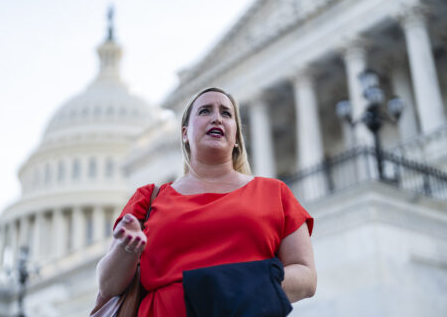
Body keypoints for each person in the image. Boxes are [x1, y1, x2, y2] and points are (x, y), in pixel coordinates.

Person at [96, 87, 316, 316]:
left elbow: (307, 277)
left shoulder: (275, 193)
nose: (216, 118)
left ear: (237, 137)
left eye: (226, 114)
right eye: (205, 111)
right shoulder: (148, 197)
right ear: (184, 133)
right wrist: (126, 248)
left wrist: (240, 287)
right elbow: (108, 286)